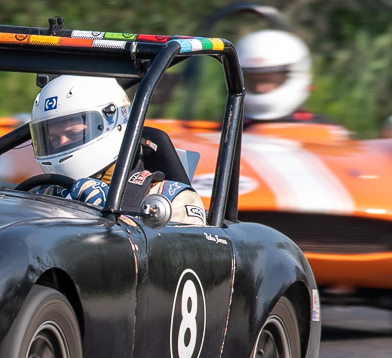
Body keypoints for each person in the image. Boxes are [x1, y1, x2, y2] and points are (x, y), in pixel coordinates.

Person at [29, 75, 206, 223]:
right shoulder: (44, 195)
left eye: (74, 134)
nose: (61, 144)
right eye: (52, 140)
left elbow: (191, 255)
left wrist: (113, 217)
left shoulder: (170, 200)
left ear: (112, 122)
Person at [236, 28, 328, 125]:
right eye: (252, 80)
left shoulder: (322, 130)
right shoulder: (228, 129)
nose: (260, 88)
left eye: (270, 80)